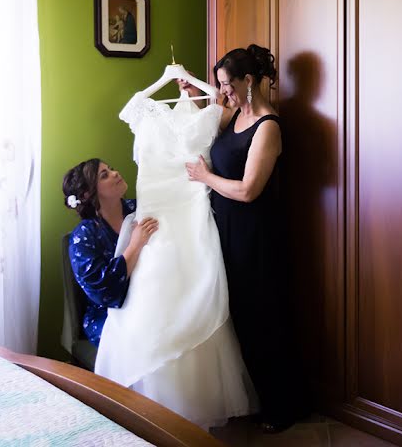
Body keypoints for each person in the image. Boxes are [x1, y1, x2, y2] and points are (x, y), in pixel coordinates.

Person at [93, 75, 257, 430]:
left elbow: (217, 118)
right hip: (156, 222)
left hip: (193, 219)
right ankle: (152, 404)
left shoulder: (212, 107)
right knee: (155, 304)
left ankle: (191, 409)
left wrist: (195, 98)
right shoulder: (140, 108)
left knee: (196, 299)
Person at [185, 44, 308, 433]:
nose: (224, 92)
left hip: (256, 233)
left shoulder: (268, 126)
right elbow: (213, 118)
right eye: (221, 86)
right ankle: (259, 398)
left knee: (264, 317)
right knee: (241, 317)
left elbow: (249, 189)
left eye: (228, 85)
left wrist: (206, 178)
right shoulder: (238, 114)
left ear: (249, 81)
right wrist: (194, 94)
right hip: (229, 228)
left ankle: (284, 406)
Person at [62, 159, 158, 347]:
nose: (115, 173)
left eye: (111, 168)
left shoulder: (140, 209)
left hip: (151, 296)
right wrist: (135, 245)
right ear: (87, 193)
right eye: (104, 175)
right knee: (148, 337)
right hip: (108, 314)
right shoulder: (83, 237)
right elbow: (104, 292)